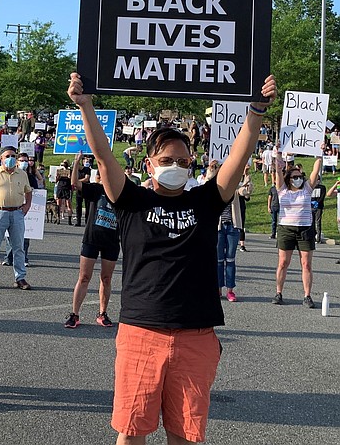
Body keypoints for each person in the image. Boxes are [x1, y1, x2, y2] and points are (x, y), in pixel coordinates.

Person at [68, 71, 277, 445]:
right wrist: (85, 106)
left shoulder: (206, 201)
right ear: (150, 164)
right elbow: (102, 156)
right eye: (167, 159)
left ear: (192, 163)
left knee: (186, 435)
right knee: (131, 432)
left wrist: (257, 111)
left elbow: (239, 156)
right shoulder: (131, 201)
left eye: (183, 161)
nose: (176, 166)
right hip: (141, 333)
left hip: (195, 337)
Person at [65, 152, 120, 329]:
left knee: (106, 278)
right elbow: (74, 184)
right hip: (92, 239)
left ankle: (102, 313)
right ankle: (74, 314)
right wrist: (76, 163)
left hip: (111, 241)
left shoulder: (121, 195)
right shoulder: (97, 190)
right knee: (84, 277)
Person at [272, 152, 322, 308]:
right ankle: (278, 293)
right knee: (283, 263)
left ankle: (307, 296)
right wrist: (278, 154)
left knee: (306, 264)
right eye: (294, 177)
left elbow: (315, 171)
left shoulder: (307, 189)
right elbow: (278, 170)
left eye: (299, 176)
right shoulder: (282, 190)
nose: (297, 179)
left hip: (305, 229)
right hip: (286, 229)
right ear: (289, 179)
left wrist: (319, 155)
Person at [0, 146, 32, 290]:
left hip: (17, 213)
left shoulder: (22, 174)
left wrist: (26, 206)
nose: (10, 159)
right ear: (1, 159)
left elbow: (28, 191)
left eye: (13, 156)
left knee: (18, 247)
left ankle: (20, 278)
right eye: (7, 156)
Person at [210, 163, 243, 303]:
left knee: (230, 259)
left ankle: (230, 290)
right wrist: (212, 170)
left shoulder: (235, 190)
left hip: (232, 228)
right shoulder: (214, 189)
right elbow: (207, 184)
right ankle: (218, 289)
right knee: (218, 260)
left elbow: (246, 191)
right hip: (218, 228)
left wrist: (246, 175)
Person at [237, 165, 253, 252]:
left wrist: (248, 192)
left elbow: (247, 198)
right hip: (233, 206)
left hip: (241, 206)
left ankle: (242, 245)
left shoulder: (245, 181)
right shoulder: (234, 181)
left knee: (241, 226)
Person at [75, 154, 93, 226]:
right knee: (78, 205)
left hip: (86, 188)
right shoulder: (76, 170)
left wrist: (77, 181)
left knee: (87, 205)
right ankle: (78, 221)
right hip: (78, 189)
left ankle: (87, 221)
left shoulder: (87, 169)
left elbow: (86, 179)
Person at [55, 160, 73, 224]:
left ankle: (69, 220)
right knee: (58, 204)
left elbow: (72, 180)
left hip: (67, 188)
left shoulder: (70, 171)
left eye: (66, 163)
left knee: (68, 204)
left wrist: (70, 177)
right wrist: (57, 177)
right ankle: (58, 219)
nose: (64, 164)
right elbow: (56, 180)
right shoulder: (60, 171)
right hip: (60, 187)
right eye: (64, 163)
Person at [311, 175, 326, 243]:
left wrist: (317, 202)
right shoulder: (311, 188)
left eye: (317, 180)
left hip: (319, 207)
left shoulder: (322, 187)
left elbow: (322, 197)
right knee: (312, 222)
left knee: (318, 222)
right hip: (311, 207)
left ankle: (318, 238)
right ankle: (312, 237)